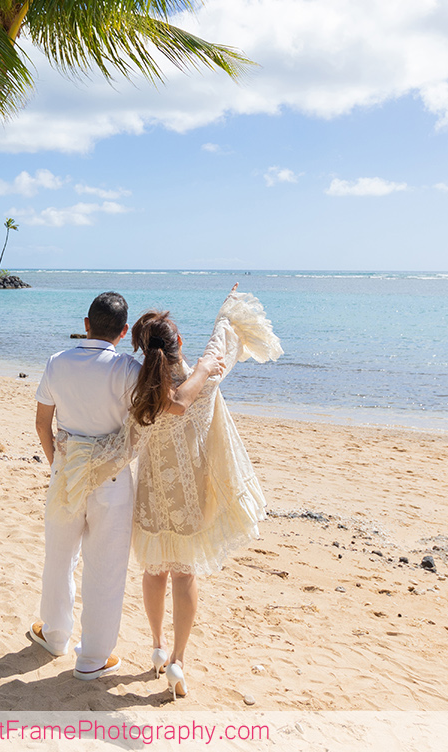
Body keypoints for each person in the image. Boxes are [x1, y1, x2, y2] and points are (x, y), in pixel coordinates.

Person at [27, 291, 220, 680]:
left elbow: (41, 424)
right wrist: (204, 368)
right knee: (106, 569)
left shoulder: (56, 363)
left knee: (59, 557)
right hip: (111, 481)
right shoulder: (130, 370)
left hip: (67, 472)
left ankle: (54, 634)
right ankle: (92, 658)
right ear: (123, 331)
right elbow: (175, 404)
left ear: (86, 325)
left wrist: (58, 466)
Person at [128, 286, 282, 699]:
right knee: (184, 573)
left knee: (153, 570)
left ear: (142, 349)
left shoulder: (136, 386)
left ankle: (157, 646)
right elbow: (223, 340)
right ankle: (178, 658)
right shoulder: (205, 377)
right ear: (178, 342)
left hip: (150, 494)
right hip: (190, 496)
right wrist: (226, 308)